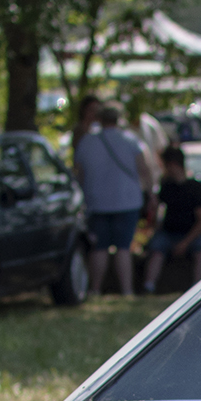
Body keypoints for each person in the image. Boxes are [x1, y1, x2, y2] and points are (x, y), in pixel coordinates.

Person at [75, 101, 151, 297]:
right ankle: (126, 290)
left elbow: (79, 173)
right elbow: (144, 169)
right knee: (123, 247)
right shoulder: (131, 140)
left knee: (99, 247)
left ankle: (95, 289)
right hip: (127, 201)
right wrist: (151, 193)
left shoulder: (87, 142)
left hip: (97, 202)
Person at [143, 146, 201, 292]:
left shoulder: (195, 187)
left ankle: (199, 288)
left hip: (191, 234)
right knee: (156, 247)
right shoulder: (167, 186)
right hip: (169, 233)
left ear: (172, 164)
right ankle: (149, 285)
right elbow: (156, 213)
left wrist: (185, 243)